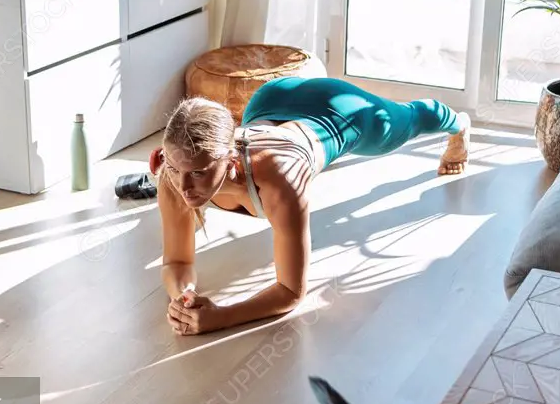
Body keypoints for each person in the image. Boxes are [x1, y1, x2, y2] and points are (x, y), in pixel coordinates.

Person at [154, 76, 470, 336]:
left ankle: (459, 124)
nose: (183, 187)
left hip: (339, 111)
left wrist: (221, 317)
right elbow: (177, 263)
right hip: (270, 98)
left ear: (230, 158)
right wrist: (184, 297)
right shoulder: (173, 177)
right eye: (174, 168)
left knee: (404, 123)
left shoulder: (280, 181)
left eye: (198, 172)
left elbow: (290, 291)